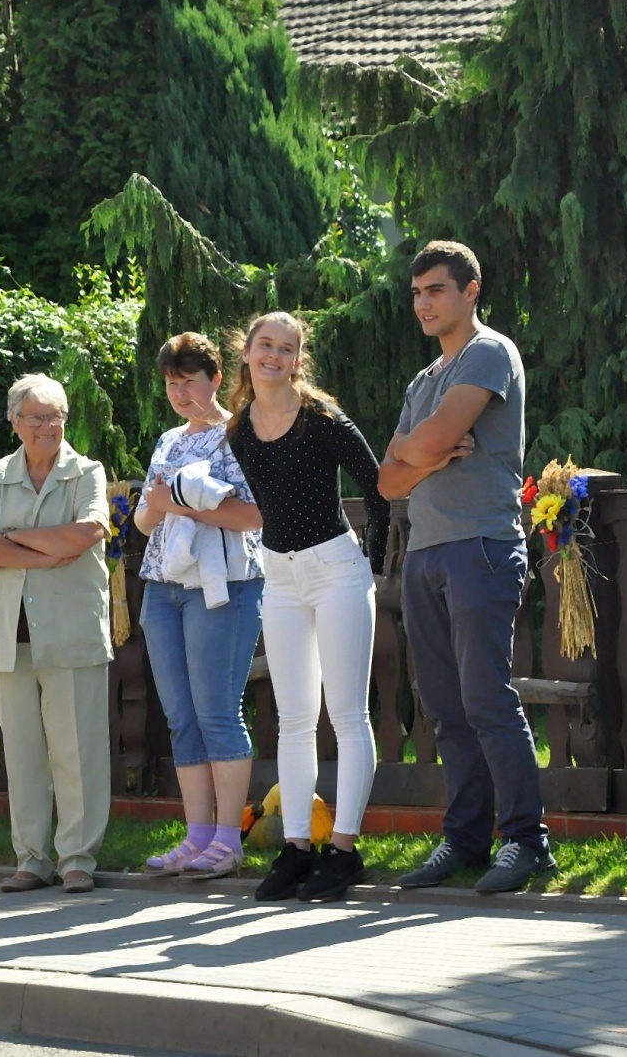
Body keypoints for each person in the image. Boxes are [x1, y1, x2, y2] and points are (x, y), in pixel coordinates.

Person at [378, 240, 555, 894]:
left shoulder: (489, 352)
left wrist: (416, 448)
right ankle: (466, 838)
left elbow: (417, 447)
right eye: (417, 293)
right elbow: (388, 479)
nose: (423, 303)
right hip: (424, 551)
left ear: (470, 290)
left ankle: (527, 841)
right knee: (446, 708)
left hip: (482, 546)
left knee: (486, 698)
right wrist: (424, 449)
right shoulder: (423, 380)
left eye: (436, 290)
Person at [226, 311, 390, 903]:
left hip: (336, 571)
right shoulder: (240, 430)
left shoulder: (322, 418)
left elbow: (378, 488)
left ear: (298, 359)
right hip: (280, 577)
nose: (273, 356)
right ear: (247, 353)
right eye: (264, 345)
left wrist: (373, 566)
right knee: (294, 718)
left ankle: (343, 851)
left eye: (286, 348)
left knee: (346, 715)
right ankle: (296, 847)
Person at [0, 374, 112, 895]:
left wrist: (13, 539)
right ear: (15, 421)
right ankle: (31, 858)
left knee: (78, 751)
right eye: (36, 417)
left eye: (56, 417)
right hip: (9, 632)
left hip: (71, 631)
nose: (48, 426)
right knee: (23, 754)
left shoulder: (87, 472)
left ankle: (77, 860)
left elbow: (86, 532)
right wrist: (44, 552)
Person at [135, 333, 264, 882]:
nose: (180, 393)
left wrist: (183, 503)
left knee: (217, 711)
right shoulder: (168, 441)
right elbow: (145, 520)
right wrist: (160, 505)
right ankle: (196, 837)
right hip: (162, 586)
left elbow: (254, 516)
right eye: (171, 383)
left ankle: (229, 841)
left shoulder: (241, 434)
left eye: (189, 381)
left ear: (216, 379)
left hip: (223, 585)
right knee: (181, 717)